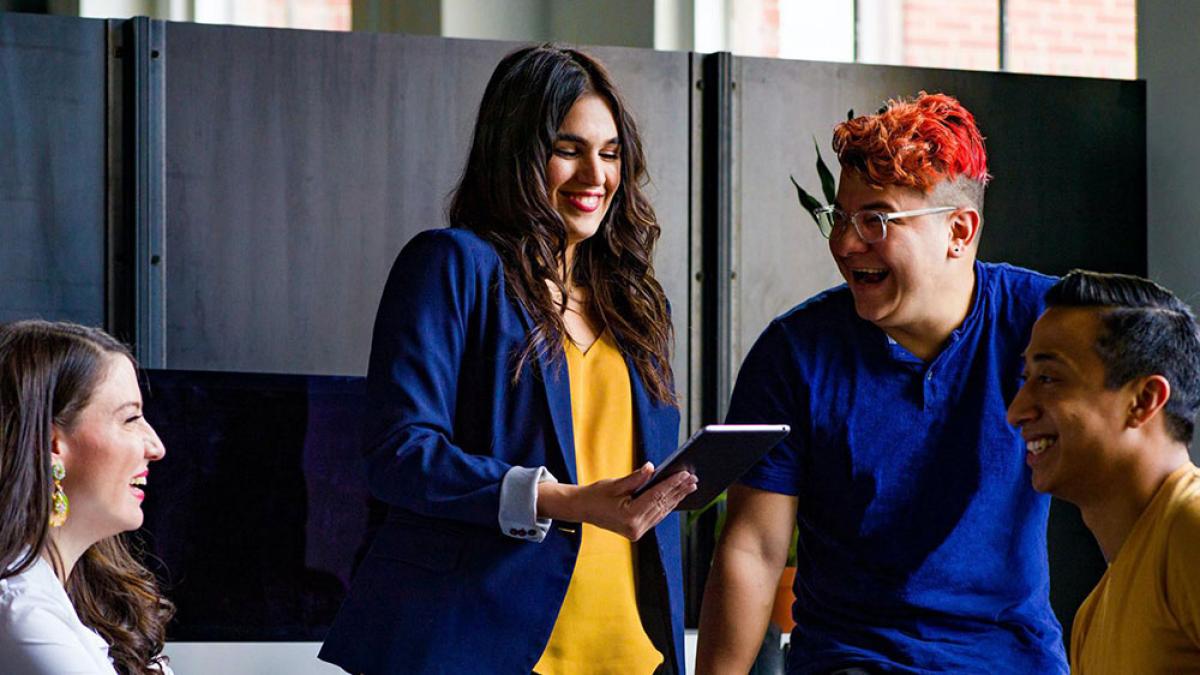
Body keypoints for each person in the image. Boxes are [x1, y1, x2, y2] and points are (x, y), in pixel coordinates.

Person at [318, 44, 697, 674]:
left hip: (629, 651)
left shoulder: (634, 302)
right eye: (568, 149)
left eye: (610, 154)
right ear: (516, 151)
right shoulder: (453, 264)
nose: (595, 177)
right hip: (484, 645)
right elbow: (400, 453)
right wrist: (562, 499)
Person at [697, 93, 1067, 673]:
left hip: (1012, 659)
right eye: (840, 217)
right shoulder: (794, 353)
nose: (845, 243)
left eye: (876, 220)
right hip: (852, 660)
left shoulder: (1047, 321)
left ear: (959, 232)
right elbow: (754, 547)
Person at [1007, 270, 1200, 673]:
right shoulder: (1091, 615)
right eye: (1025, 380)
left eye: (1048, 378)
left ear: (1144, 400)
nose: (1016, 412)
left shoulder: (1190, 530)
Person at [0, 320, 174, 674]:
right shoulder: (23, 615)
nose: (156, 447)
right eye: (131, 418)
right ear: (52, 444)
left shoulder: (86, 600)